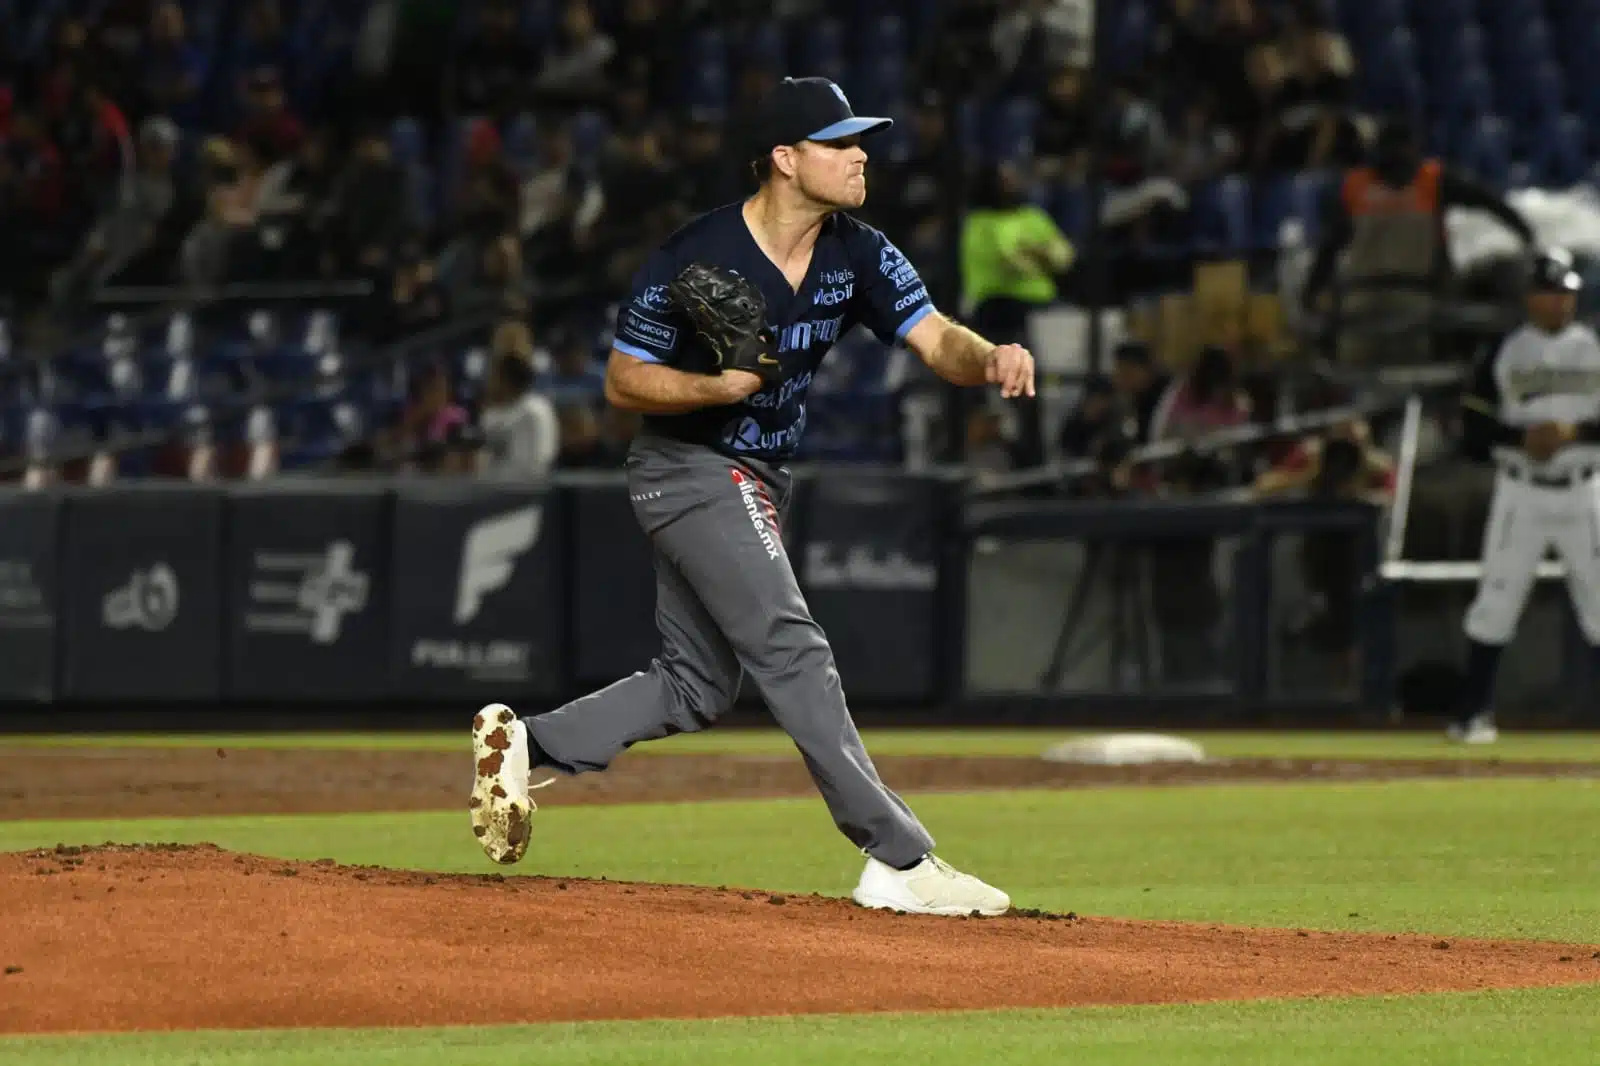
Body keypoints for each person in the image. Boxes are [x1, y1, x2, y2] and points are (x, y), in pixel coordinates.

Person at [469, 76, 1035, 916]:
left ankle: (527, 742)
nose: (859, 155)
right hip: (687, 466)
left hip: (759, 474)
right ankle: (898, 858)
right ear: (785, 158)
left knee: (697, 686)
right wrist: (712, 385)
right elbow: (623, 381)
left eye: (859, 141)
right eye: (839, 143)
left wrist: (986, 358)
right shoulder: (695, 256)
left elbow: (936, 336)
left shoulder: (860, 251)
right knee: (791, 647)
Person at [1451, 249, 1600, 744]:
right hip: (1522, 490)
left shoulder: (1594, 345)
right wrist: (1520, 440)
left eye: (1568, 292)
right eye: (1552, 292)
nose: (1562, 301)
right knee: (1497, 598)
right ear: (1530, 297)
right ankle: (1472, 715)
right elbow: (1470, 429)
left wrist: (1575, 433)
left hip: (1585, 487)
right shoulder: (1503, 351)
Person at [1300, 116, 1535, 366]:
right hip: (1413, 304)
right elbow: (1490, 202)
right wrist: (1524, 233)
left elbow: (1329, 247)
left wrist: (1311, 292)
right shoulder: (1433, 181)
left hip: (1361, 304)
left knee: (1360, 384)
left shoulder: (1355, 187)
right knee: (1411, 382)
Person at [478, 352, 559, 481]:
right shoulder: (491, 413)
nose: (490, 381)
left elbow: (541, 458)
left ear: (507, 379)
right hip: (493, 489)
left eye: (495, 376)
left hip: (528, 488)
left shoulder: (536, 408)